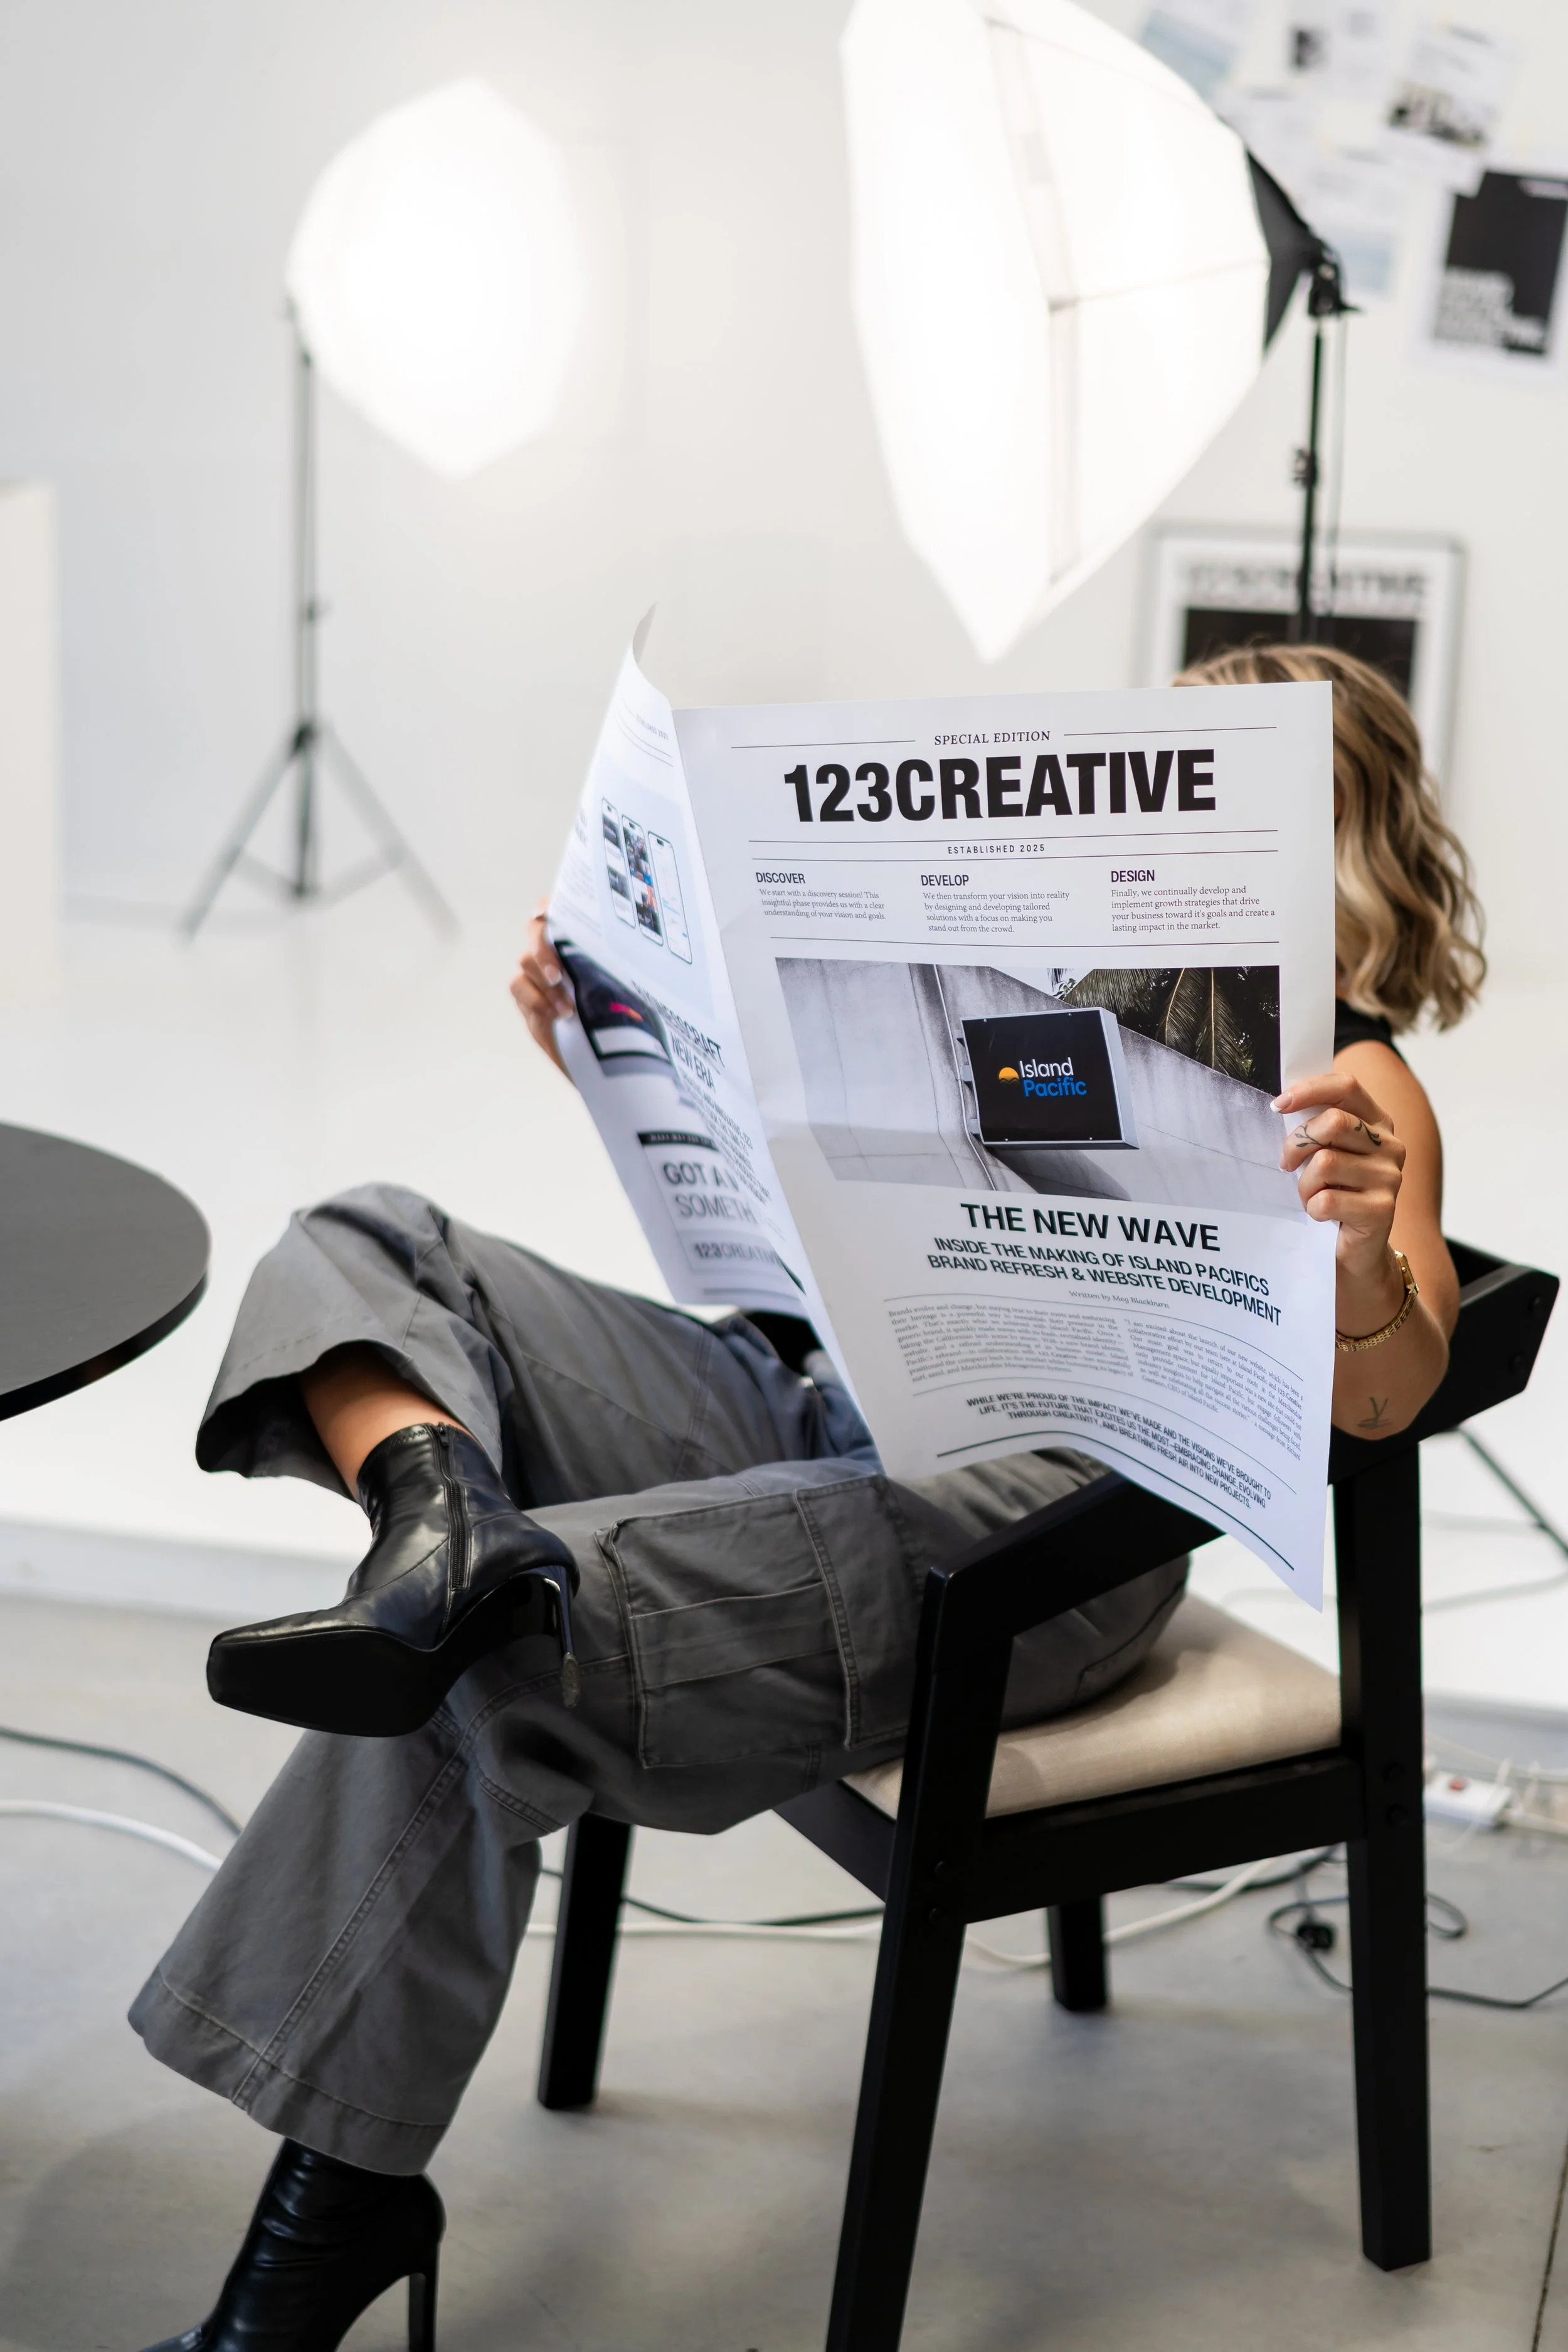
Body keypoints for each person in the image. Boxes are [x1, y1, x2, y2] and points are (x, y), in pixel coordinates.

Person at [130, 642, 1482, 2351]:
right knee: (374, 1241)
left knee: (500, 1641)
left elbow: (1387, 1391)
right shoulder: (1031, 1004)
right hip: (821, 1402)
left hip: (1049, 1532)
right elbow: (809, 1217)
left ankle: (333, 2208)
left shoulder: (1353, 1089)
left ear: (1333, 849)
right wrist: (617, 1045)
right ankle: (434, 1515)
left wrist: (1361, 1250)